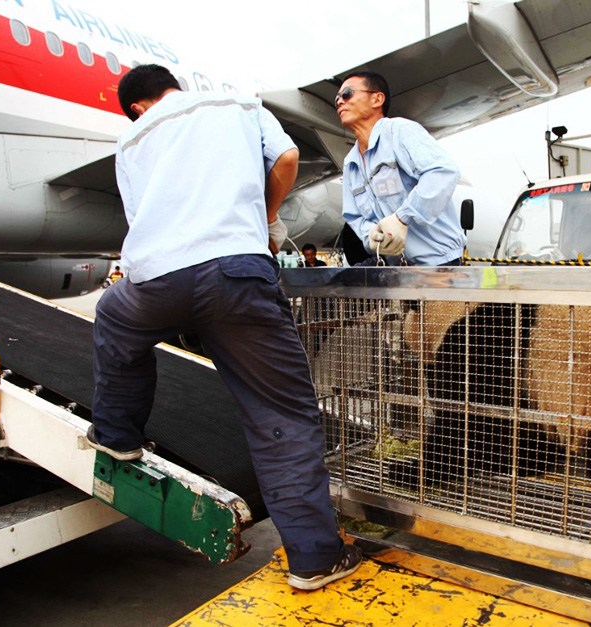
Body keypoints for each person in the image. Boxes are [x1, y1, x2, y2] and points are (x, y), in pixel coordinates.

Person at [86, 64, 361, 591]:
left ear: (138, 105)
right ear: (173, 87)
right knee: (279, 413)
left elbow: (141, 215)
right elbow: (286, 158)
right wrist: (267, 216)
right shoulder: (236, 104)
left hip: (154, 281)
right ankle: (315, 558)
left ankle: (117, 436)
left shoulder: (132, 138)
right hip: (235, 270)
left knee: (113, 317)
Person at [335, 71, 466, 266]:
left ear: (377, 99)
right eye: (336, 98)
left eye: (347, 94)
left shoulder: (400, 131)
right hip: (397, 271)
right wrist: (370, 235)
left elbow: (443, 171)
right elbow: (354, 216)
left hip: (439, 267)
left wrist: (401, 218)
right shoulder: (350, 163)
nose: (339, 101)